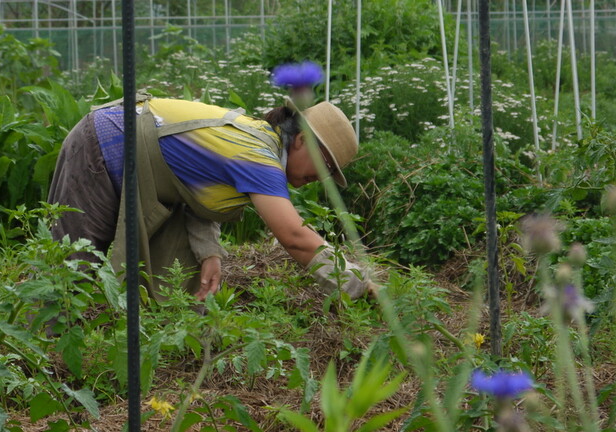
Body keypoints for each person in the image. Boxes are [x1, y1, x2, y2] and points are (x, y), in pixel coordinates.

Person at [47, 93, 375, 301]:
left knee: (177, 274)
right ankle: (32, 364)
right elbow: (293, 236)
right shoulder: (258, 156)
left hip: (123, 155)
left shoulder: (258, 140)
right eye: (325, 165)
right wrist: (357, 284)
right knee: (71, 267)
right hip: (103, 147)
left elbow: (200, 181)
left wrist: (209, 254)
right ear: (301, 141)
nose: (321, 178)